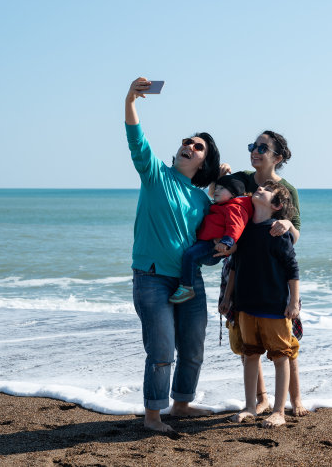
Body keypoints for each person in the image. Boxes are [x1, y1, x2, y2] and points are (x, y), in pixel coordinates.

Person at [125, 77, 221, 433]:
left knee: (193, 347)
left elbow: (205, 252)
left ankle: (181, 404)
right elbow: (136, 140)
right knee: (162, 351)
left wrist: (220, 251)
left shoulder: (202, 201)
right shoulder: (155, 176)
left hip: (189, 282)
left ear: (203, 161)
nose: (188, 146)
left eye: (197, 147)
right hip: (151, 277)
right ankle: (153, 415)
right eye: (186, 142)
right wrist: (131, 99)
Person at [218, 130, 307, 417]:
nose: (255, 151)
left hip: (273, 270)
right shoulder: (242, 180)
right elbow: (218, 201)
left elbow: (295, 234)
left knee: (285, 341)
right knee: (247, 342)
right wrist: (221, 178)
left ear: (277, 157)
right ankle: (260, 400)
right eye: (252, 146)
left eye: (262, 148)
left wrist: (284, 224)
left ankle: (294, 400)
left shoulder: (286, 190)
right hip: (239, 265)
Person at [169, 175, 252, 304]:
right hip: (207, 243)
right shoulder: (221, 206)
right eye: (216, 187)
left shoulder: (234, 208)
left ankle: (187, 287)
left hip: (213, 246)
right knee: (189, 256)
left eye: (222, 188)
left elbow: (235, 226)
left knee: (190, 255)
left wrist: (227, 242)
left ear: (233, 194)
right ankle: (185, 283)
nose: (216, 190)